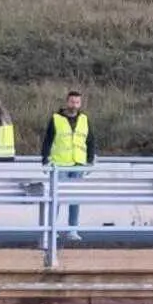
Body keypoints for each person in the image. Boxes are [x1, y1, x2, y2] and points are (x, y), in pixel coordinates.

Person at [41, 90, 95, 241]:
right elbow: (48, 140)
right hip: (60, 164)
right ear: (67, 102)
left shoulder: (84, 119)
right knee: (56, 198)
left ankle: (73, 229)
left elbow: (90, 140)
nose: (74, 105)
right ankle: (53, 228)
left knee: (75, 198)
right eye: (72, 102)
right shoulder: (56, 118)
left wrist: (90, 160)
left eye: (77, 102)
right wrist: (45, 160)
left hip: (78, 163)